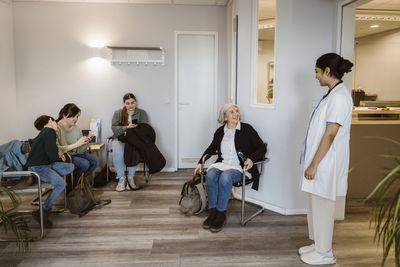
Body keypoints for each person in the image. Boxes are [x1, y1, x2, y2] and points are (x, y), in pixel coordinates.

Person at [299, 53, 353, 265]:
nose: (316, 76)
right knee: (315, 205)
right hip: (319, 161)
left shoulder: (339, 97)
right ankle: (318, 244)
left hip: (325, 163)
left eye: (317, 72)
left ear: (327, 72)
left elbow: (330, 134)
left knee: (323, 206)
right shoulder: (332, 94)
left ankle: (325, 253)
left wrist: (313, 164)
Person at [194, 103, 266, 232]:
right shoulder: (220, 132)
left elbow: (261, 147)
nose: (236, 114)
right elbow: (211, 148)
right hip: (223, 164)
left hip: (240, 167)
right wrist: (200, 162)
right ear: (225, 117)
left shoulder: (247, 129)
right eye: (232, 112)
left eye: (237, 111)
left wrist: (251, 158)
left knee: (225, 177)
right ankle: (213, 211)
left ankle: (221, 214)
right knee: (210, 174)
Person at [27, 115, 74, 227]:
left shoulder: (44, 133)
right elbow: (52, 155)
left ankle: (53, 176)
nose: (56, 124)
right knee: (61, 183)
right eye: (54, 122)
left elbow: (50, 152)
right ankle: (43, 210)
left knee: (70, 167)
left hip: (46, 164)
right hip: (38, 167)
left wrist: (58, 154)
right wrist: (58, 155)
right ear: (49, 121)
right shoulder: (49, 131)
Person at [111, 93, 149, 192]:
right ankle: (121, 178)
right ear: (124, 104)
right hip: (120, 139)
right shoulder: (118, 113)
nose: (131, 105)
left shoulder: (142, 113)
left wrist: (136, 128)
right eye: (128, 103)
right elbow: (114, 128)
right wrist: (126, 128)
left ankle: (130, 177)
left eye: (132, 103)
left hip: (135, 139)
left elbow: (146, 128)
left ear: (136, 102)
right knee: (116, 147)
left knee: (136, 148)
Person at [56, 103, 100, 187]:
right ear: (64, 115)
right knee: (85, 164)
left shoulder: (76, 128)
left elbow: (80, 150)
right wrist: (76, 144)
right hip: (64, 156)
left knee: (96, 161)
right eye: (73, 116)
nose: (75, 119)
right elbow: (57, 148)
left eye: (77, 117)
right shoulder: (57, 128)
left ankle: (75, 183)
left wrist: (84, 144)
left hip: (75, 154)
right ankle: (71, 185)